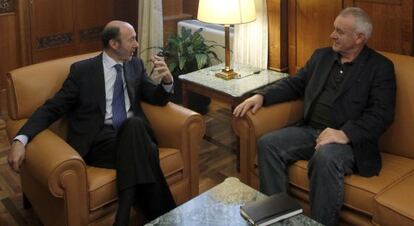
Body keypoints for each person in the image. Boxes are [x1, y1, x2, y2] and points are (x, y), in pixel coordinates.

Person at [233, 7, 396, 226]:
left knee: (325, 157)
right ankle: (277, 220)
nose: (332, 35)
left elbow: (381, 115)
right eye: (333, 29)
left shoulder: (380, 67)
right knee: (268, 144)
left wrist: (344, 134)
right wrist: (262, 96)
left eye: (339, 31)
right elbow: (294, 84)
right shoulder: (322, 56)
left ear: (359, 38)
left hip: (348, 143)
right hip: (310, 131)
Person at [7, 20, 176, 225]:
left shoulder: (135, 65)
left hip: (134, 135)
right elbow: (52, 108)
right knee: (144, 147)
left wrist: (167, 81)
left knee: (134, 126)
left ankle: (122, 215)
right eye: (132, 39)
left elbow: (155, 97)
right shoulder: (82, 71)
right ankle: (170, 218)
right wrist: (21, 139)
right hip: (100, 141)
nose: (137, 44)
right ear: (114, 44)